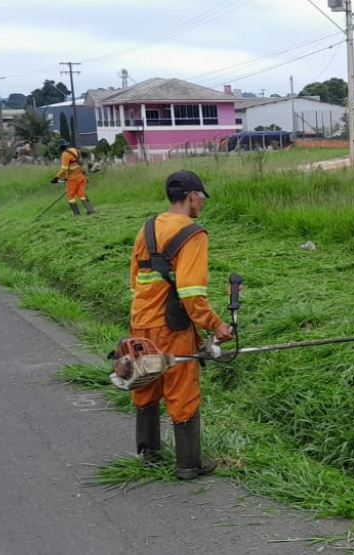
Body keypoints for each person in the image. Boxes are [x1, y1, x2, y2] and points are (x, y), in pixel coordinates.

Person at [129, 170, 233, 480]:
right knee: (181, 388)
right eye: (200, 198)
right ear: (190, 197)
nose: (201, 204)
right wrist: (215, 325)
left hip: (140, 320)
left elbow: (135, 279)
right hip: (171, 325)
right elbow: (190, 292)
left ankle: (149, 453)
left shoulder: (147, 228)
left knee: (146, 382)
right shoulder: (192, 234)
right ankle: (189, 463)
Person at [50, 139, 95, 215]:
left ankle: (77, 214)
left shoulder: (65, 154)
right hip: (81, 176)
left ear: (61, 148)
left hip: (73, 179)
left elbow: (64, 169)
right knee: (81, 194)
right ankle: (90, 210)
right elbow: (79, 163)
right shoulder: (75, 150)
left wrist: (56, 178)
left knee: (70, 195)